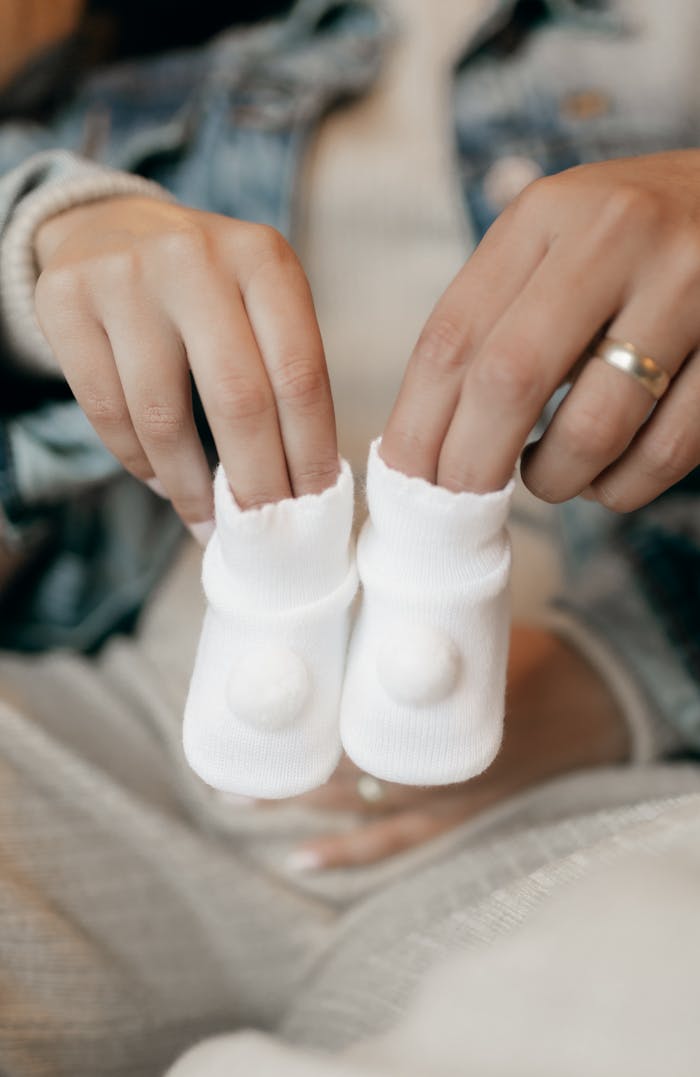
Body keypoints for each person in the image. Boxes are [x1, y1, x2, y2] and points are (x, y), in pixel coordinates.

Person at [1, 0, 700, 1073]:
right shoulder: (125, 51)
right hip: (124, 752)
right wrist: (41, 237)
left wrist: (645, 666)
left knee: (646, 984)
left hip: (603, 811)